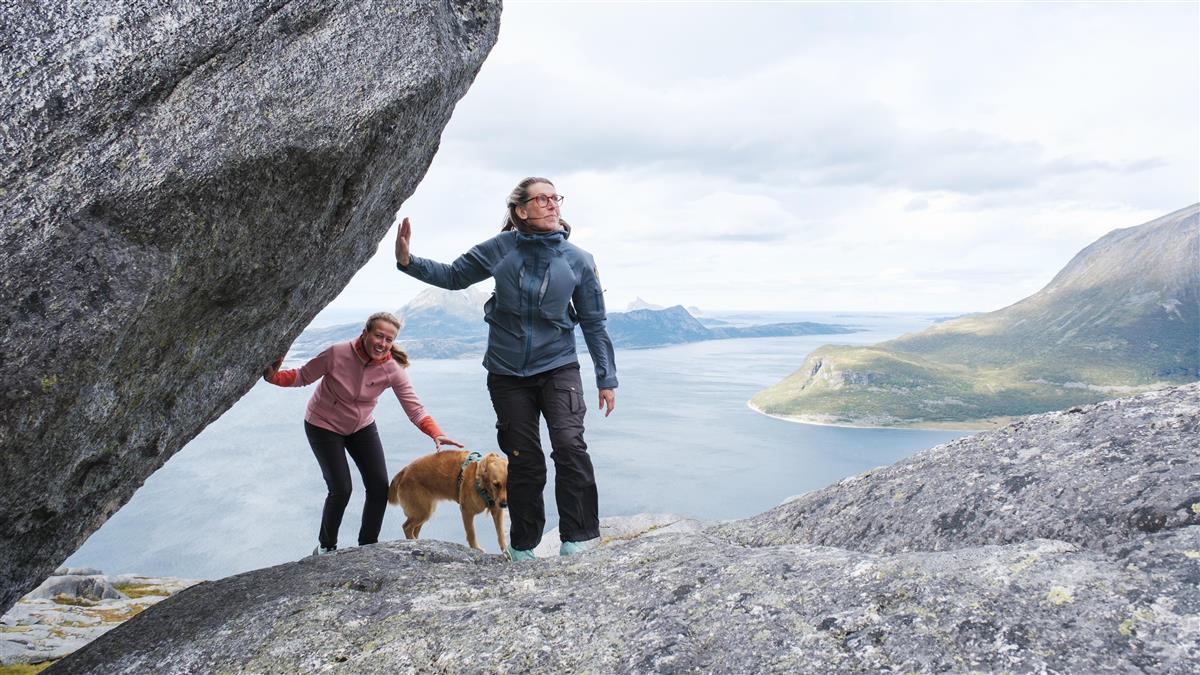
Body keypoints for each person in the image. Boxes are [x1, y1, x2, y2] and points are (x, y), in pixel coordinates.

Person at [395, 176, 617, 561]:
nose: (553, 204)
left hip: (558, 367)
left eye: (556, 198)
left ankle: (579, 537)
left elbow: (594, 322)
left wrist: (606, 377)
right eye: (542, 199)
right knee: (524, 458)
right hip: (507, 373)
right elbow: (454, 275)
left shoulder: (578, 260)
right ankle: (523, 545)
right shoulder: (500, 249)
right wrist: (408, 262)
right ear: (521, 211)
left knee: (569, 446)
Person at [262, 311, 462, 555]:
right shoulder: (337, 353)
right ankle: (326, 547)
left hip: (361, 427)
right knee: (341, 489)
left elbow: (415, 409)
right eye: (378, 336)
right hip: (323, 425)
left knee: (379, 487)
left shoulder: (392, 369)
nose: (382, 343)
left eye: (388, 339)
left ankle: (367, 546)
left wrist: (435, 433)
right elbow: (303, 376)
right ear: (365, 332)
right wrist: (274, 378)